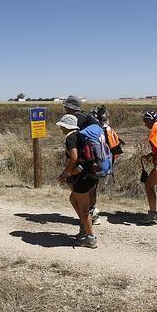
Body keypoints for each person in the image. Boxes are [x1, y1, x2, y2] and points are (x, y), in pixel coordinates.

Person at [56, 114, 98, 248]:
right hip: (90, 173)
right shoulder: (81, 135)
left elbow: (73, 158)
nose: (60, 128)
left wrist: (64, 173)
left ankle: (90, 238)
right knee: (74, 200)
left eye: (62, 125)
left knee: (83, 208)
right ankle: (85, 230)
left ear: (65, 126)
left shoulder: (70, 138)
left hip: (82, 177)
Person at [63, 95, 102, 225]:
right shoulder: (88, 118)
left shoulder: (75, 120)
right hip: (94, 161)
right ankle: (92, 213)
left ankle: (87, 224)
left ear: (69, 107)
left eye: (65, 107)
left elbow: (75, 153)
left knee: (78, 196)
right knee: (91, 189)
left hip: (81, 165)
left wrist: (66, 172)